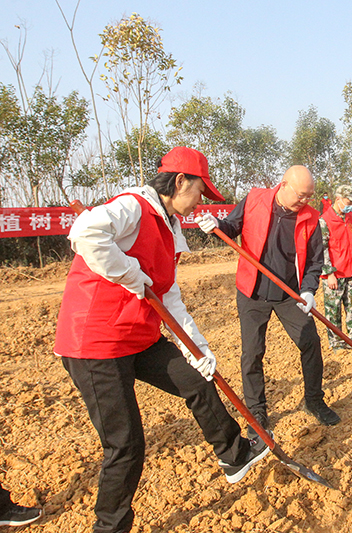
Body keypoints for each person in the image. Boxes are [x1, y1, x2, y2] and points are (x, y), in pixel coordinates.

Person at [55, 147, 269, 533]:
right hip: (96, 342)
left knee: (195, 379)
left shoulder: (170, 227)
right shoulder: (134, 207)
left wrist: (197, 347)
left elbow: (168, 295)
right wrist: (129, 273)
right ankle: (110, 527)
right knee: (126, 445)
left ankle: (234, 454)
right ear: (180, 180)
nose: (201, 202)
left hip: (138, 336)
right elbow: (85, 234)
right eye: (201, 192)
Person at [198, 166, 340, 429]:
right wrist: (217, 225)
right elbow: (231, 226)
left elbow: (314, 262)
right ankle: (257, 412)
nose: (304, 201)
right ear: (283, 185)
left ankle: (314, 400)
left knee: (310, 343)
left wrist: (308, 290)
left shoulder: (310, 217)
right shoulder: (255, 199)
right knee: (252, 354)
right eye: (300, 195)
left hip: (289, 294)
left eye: (309, 196)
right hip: (252, 292)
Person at [319, 184, 352, 351]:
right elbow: (321, 249)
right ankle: (337, 343)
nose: (351, 206)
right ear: (338, 199)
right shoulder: (324, 221)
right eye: (349, 202)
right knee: (333, 311)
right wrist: (329, 273)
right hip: (335, 274)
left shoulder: (350, 217)